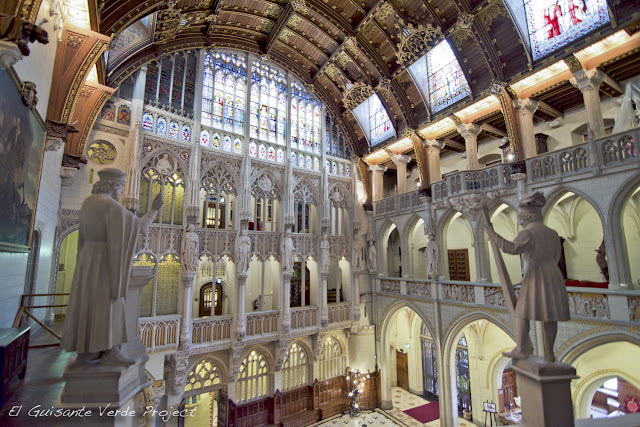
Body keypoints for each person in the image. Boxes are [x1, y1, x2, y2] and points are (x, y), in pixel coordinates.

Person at [61, 168, 162, 367]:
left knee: (89, 305)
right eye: (122, 187)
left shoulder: (88, 203)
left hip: (87, 262)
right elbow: (140, 227)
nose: (121, 191)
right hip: (105, 264)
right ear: (114, 186)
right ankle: (111, 350)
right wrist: (154, 209)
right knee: (110, 305)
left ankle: (87, 351)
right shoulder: (109, 206)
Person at [483, 192, 570, 363]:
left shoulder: (528, 232)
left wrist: (493, 234)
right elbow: (556, 255)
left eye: (521, 216)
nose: (520, 220)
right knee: (549, 316)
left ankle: (522, 349)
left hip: (535, 274)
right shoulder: (552, 233)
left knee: (521, 312)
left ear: (526, 216)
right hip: (552, 274)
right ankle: (549, 353)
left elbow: (511, 248)